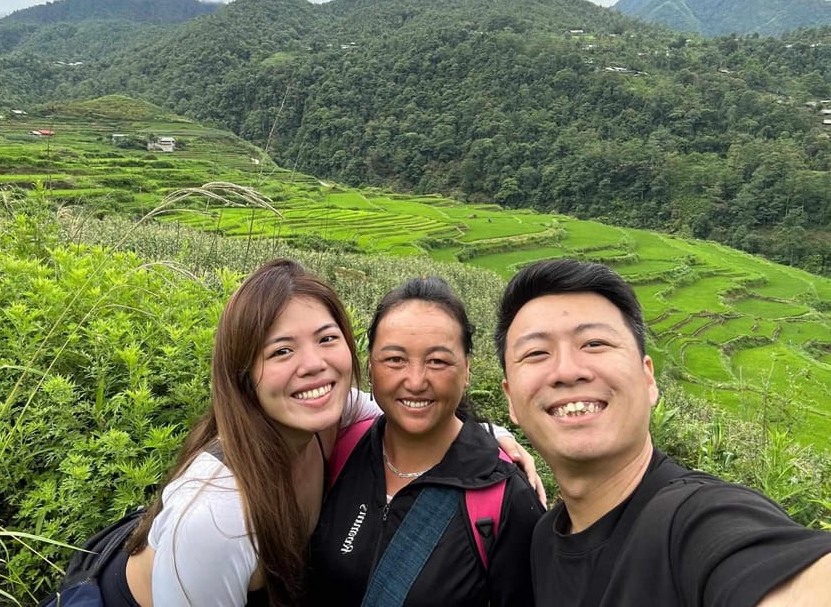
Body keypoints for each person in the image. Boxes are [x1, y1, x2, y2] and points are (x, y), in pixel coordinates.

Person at [87, 259, 538, 607]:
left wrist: (489, 436)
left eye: (326, 339)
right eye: (281, 350)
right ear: (244, 373)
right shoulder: (218, 515)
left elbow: (410, 406)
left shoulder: (330, 420)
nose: (314, 365)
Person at [495, 258, 831, 607]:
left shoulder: (694, 520)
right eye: (536, 353)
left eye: (594, 343)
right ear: (511, 402)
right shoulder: (544, 542)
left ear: (648, 378)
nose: (566, 370)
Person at [306, 276, 545, 606]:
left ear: (466, 370)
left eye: (438, 361)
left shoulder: (504, 498)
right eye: (395, 359)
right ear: (370, 367)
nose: (416, 381)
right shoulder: (341, 447)